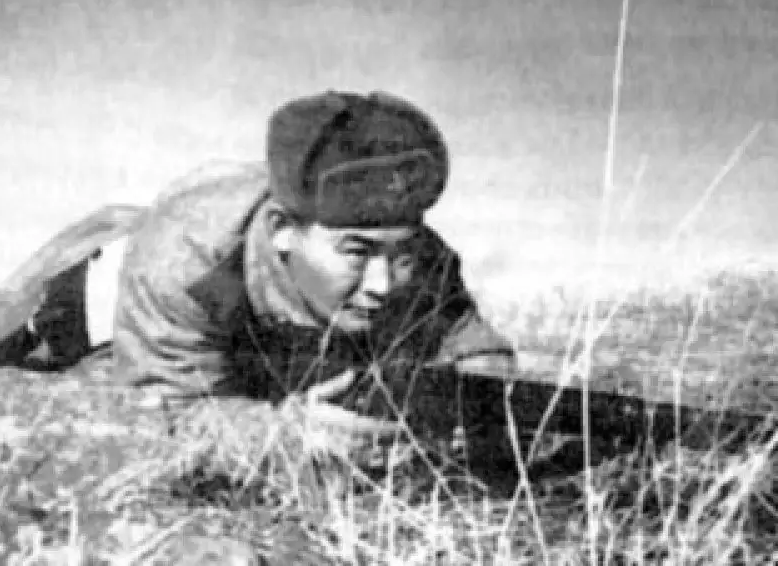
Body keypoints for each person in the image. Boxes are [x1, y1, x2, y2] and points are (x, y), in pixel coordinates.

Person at [97, 89, 518, 470]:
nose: (384, 284)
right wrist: (286, 434)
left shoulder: (419, 259)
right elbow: (158, 421)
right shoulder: (182, 263)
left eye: (402, 254)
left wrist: (483, 396)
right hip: (96, 310)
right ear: (282, 230)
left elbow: (470, 346)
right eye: (357, 252)